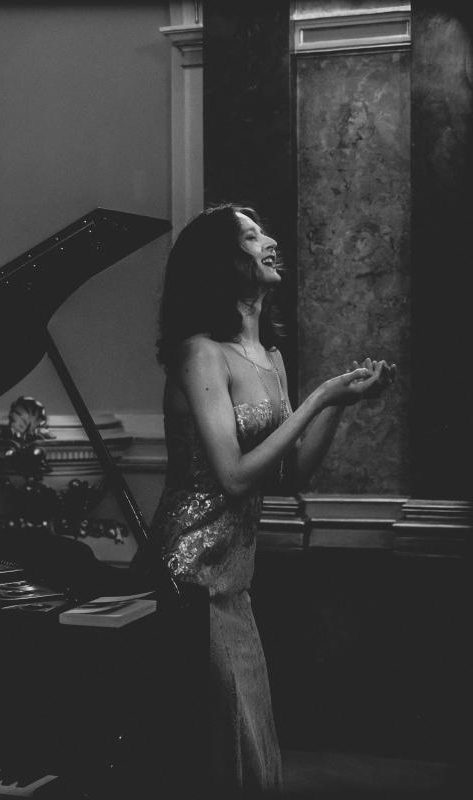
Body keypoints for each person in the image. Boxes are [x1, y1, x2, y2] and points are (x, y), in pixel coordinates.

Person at [131, 204, 395, 796]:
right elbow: (232, 476)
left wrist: (337, 406)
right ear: (222, 262)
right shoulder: (200, 353)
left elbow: (290, 473)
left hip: (234, 579)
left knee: (248, 745)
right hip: (187, 576)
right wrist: (318, 397)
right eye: (252, 237)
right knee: (212, 751)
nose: (270, 241)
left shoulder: (270, 357)